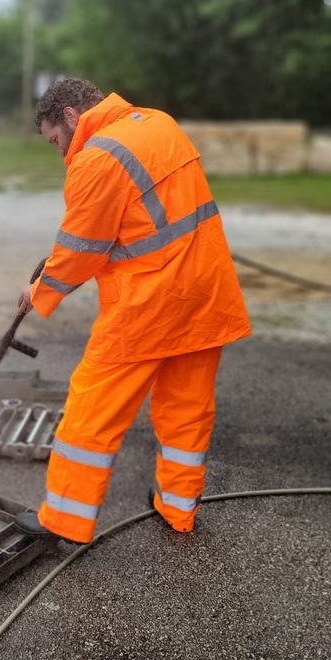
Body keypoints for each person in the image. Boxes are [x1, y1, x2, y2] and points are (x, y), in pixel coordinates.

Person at [14, 78, 251, 544]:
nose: (61, 153)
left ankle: (63, 522)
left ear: (70, 116)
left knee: (90, 409)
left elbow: (83, 250)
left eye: (57, 142)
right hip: (205, 295)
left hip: (149, 305)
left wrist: (39, 291)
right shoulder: (158, 123)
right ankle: (178, 510)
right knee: (187, 409)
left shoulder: (96, 157)